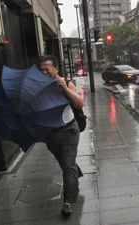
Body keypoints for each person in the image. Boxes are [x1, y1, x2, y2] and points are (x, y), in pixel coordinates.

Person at [37, 55, 84, 217]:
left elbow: (79, 103)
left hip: (69, 130)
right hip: (50, 134)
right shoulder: (39, 88)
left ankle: (68, 201)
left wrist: (64, 88)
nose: (44, 72)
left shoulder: (66, 82)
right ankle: (74, 174)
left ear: (56, 69)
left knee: (67, 165)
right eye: (41, 69)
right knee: (65, 162)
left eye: (47, 69)